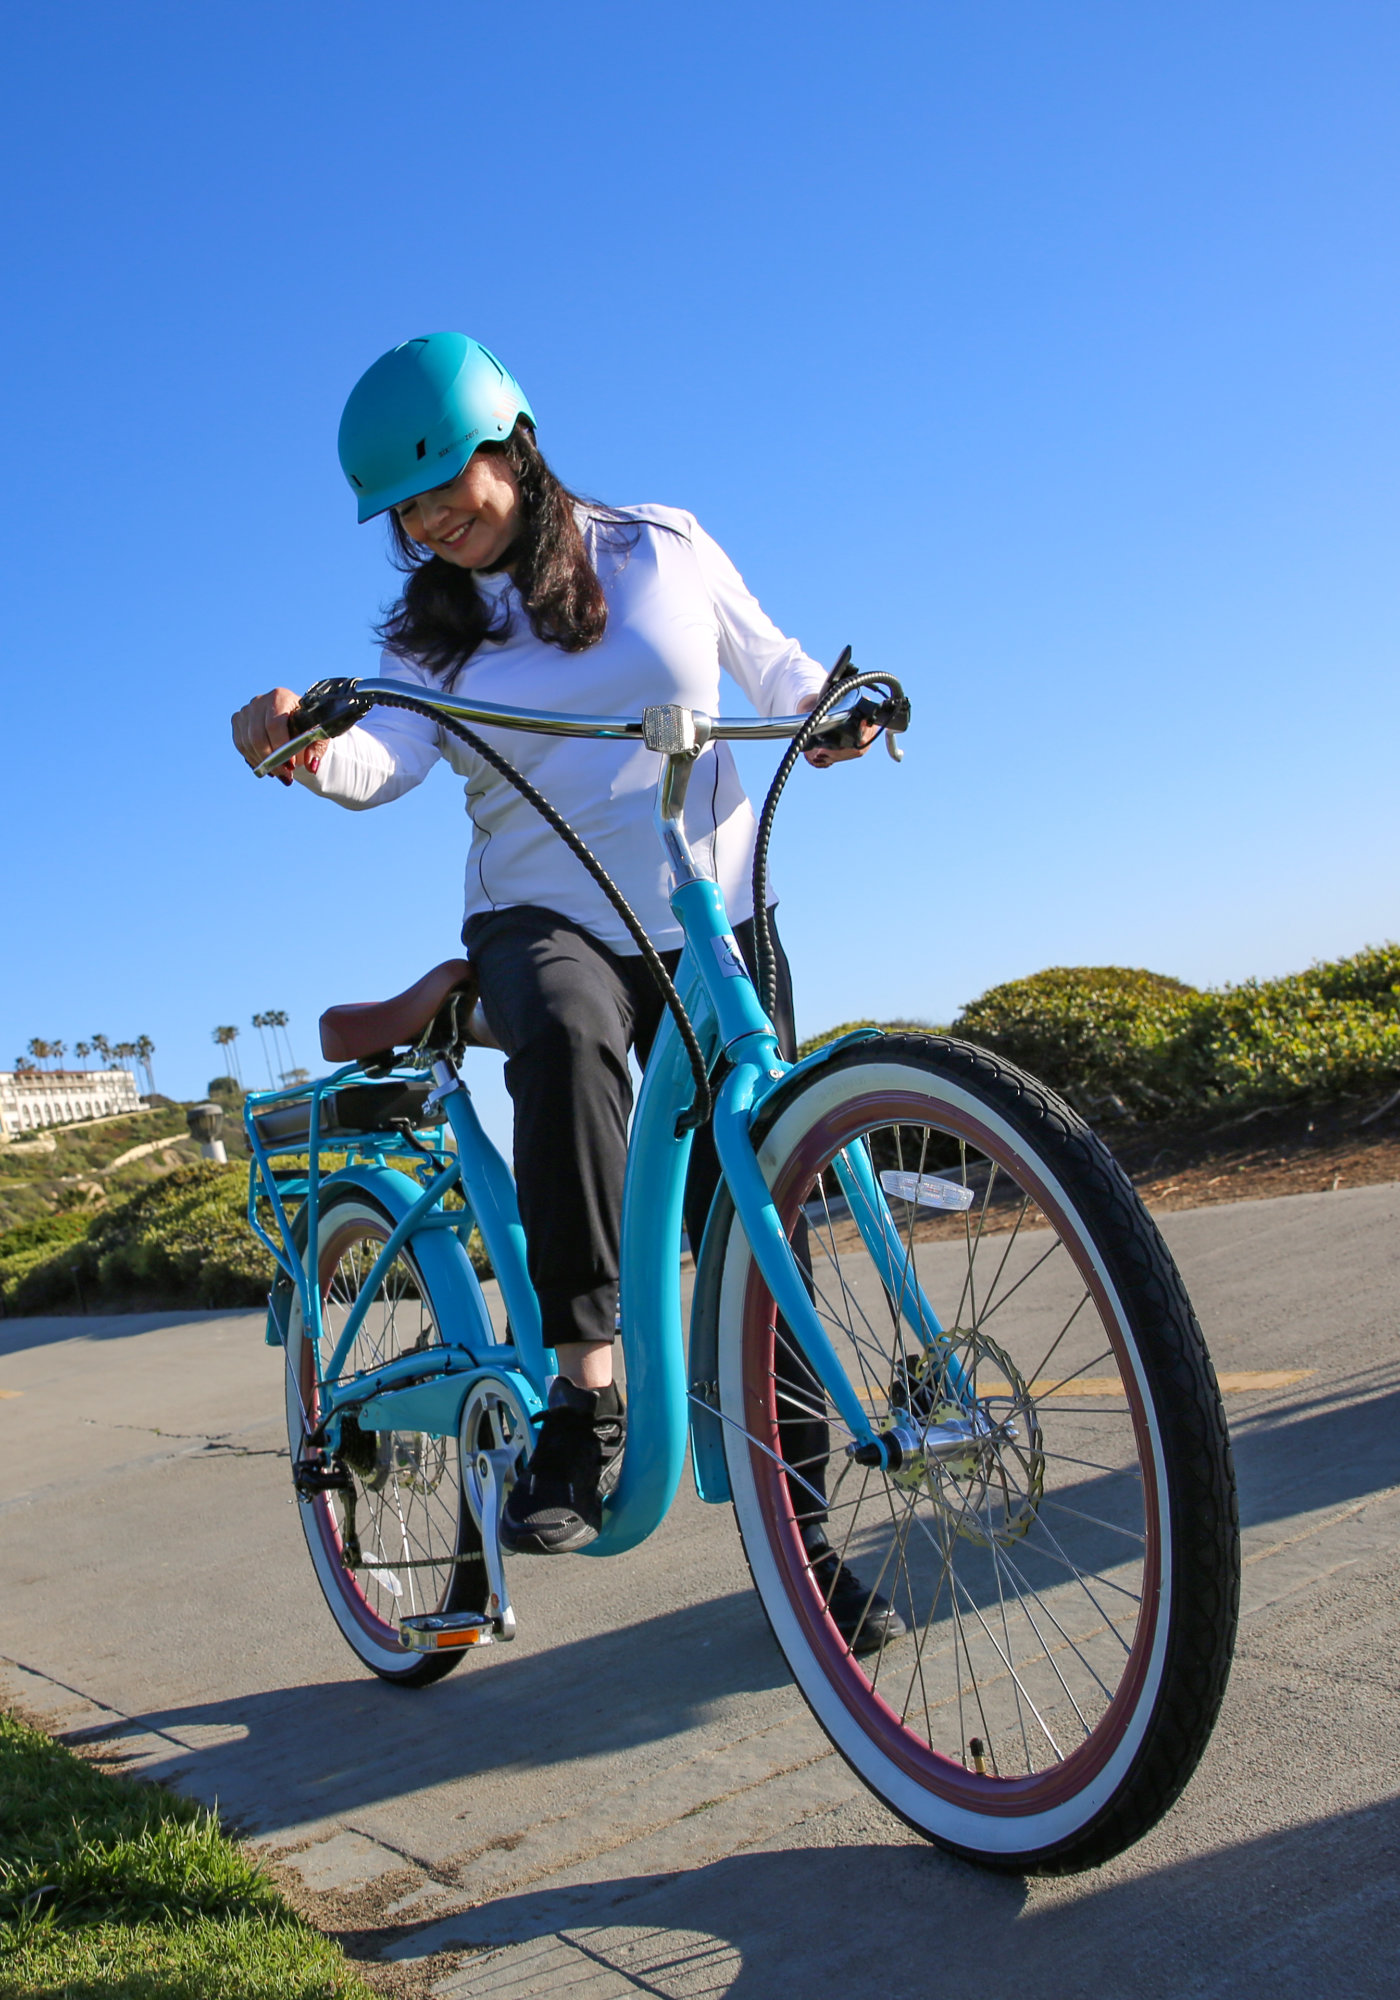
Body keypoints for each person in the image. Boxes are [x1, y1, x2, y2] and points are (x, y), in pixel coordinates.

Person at [232, 334, 889, 1648]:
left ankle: (804, 1542)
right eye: (403, 510)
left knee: (765, 1211)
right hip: (548, 918)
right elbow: (379, 761)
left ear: (514, 444)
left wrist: (834, 708)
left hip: (713, 915)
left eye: (443, 485)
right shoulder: (431, 644)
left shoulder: (663, 547)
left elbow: (773, 666)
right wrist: (298, 742)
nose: (430, 522)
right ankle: (585, 1396)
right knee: (574, 1040)